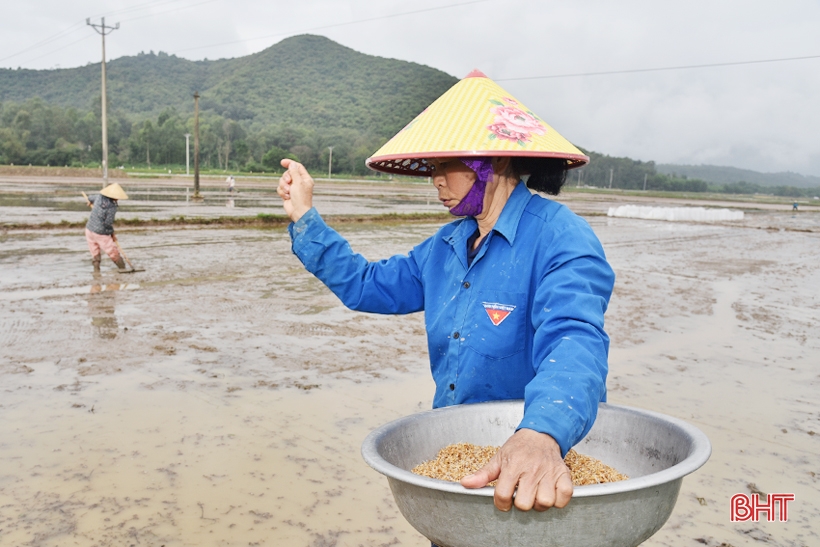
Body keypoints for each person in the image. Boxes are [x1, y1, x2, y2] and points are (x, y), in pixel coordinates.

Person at [277, 70, 615, 514]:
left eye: (445, 165)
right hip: (459, 462)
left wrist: (543, 432)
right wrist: (305, 217)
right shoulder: (445, 246)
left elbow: (575, 340)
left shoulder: (561, 238)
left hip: (536, 462)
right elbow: (366, 285)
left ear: (490, 163)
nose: (435, 180)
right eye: (431, 167)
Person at [84, 183, 129, 273]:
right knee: (112, 251)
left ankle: (96, 271)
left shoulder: (99, 197)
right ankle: (123, 268)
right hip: (100, 232)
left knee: (95, 252)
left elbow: (89, 197)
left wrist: (90, 201)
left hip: (89, 230)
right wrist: (111, 233)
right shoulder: (111, 207)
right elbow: (108, 223)